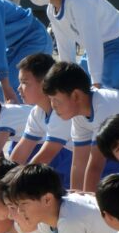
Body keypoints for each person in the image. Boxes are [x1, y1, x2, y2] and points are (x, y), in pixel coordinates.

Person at [42, 61, 119, 191]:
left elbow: (95, 166)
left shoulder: (103, 106)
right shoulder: (79, 116)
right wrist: (76, 198)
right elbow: (78, 164)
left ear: (76, 95)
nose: (53, 105)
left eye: (55, 99)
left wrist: (85, 204)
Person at [8, 53, 73, 187]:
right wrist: (5, 177)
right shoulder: (37, 112)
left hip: (107, 163)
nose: (19, 88)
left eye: (24, 83)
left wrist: (14, 184)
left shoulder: (61, 110)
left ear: (45, 84)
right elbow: (20, 153)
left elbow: (46, 156)